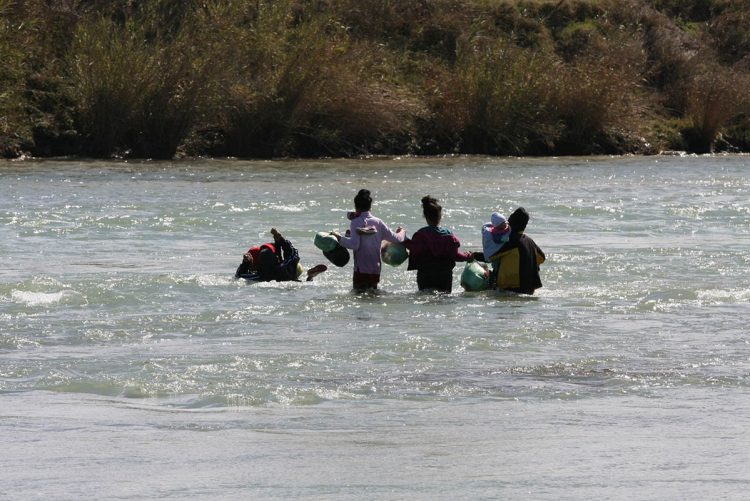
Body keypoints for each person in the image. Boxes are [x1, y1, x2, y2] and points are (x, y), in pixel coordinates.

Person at [335, 189, 405, 291]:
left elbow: (355, 245)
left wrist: (339, 238)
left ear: (356, 206)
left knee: (359, 299)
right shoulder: (378, 222)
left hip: (361, 270)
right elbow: (397, 239)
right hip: (375, 270)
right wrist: (402, 231)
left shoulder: (355, 222)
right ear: (370, 206)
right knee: (372, 297)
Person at [403, 196, 476, 293]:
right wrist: (468, 256)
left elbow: (412, 247)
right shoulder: (448, 235)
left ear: (425, 216)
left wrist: (402, 236)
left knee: (426, 300)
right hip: (444, 276)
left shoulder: (420, 235)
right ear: (440, 216)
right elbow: (455, 255)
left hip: (425, 275)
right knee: (444, 300)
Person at [488, 207, 545, 294]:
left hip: (512, 289)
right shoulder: (530, 241)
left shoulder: (511, 240)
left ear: (511, 222)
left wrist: (474, 255)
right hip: (529, 289)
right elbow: (542, 258)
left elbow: (490, 257)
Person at [235, 228, 326, 282]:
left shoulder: (260, 275)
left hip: (281, 277)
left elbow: (239, 276)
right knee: (293, 260)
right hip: (290, 271)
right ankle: (310, 277)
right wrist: (281, 241)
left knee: (297, 281)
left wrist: (245, 263)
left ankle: (309, 277)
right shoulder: (283, 264)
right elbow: (293, 254)